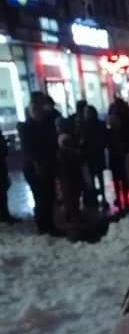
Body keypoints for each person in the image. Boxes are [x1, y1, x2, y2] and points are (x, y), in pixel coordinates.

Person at [21, 91, 59, 235]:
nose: (42, 108)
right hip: (35, 167)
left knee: (48, 196)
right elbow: (30, 150)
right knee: (41, 197)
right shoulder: (27, 126)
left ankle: (49, 225)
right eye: (40, 103)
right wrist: (38, 165)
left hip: (46, 164)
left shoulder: (45, 121)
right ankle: (44, 227)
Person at [81, 105, 108, 210]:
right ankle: (100, 199)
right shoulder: (98, 124)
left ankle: (97, 199)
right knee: (97, 178)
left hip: (93, 155)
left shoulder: (87, 126)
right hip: (95, 154)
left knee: (95, 178)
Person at [56, 132, 84, 225]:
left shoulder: (69, 153)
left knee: (73, 197)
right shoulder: (63, 154)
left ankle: (72, 214)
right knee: (70, 197)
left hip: (70, 178)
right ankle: (73, 215)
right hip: (68, 179)